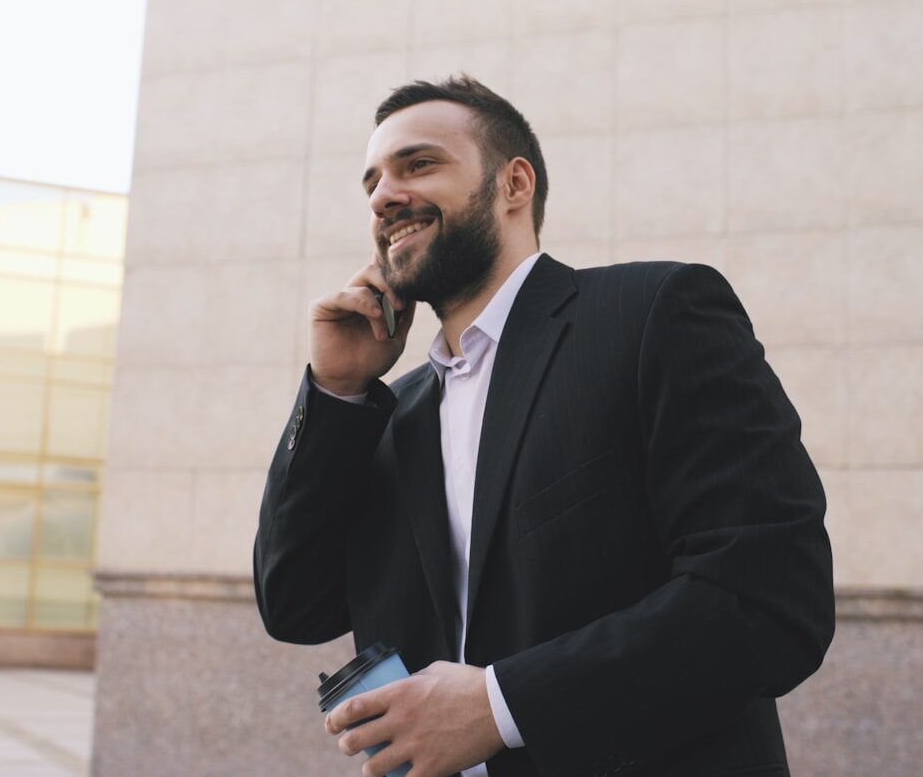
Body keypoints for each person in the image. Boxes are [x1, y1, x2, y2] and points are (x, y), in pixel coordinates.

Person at [253, 75, 834, 777]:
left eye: (419, 164)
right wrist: (337, 392)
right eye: (372, 181)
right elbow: (295, 605)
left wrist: (499, 706)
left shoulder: (654, 314)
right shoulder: (388, 414)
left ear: (513, 184)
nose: (382, 196)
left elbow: (769, 598)